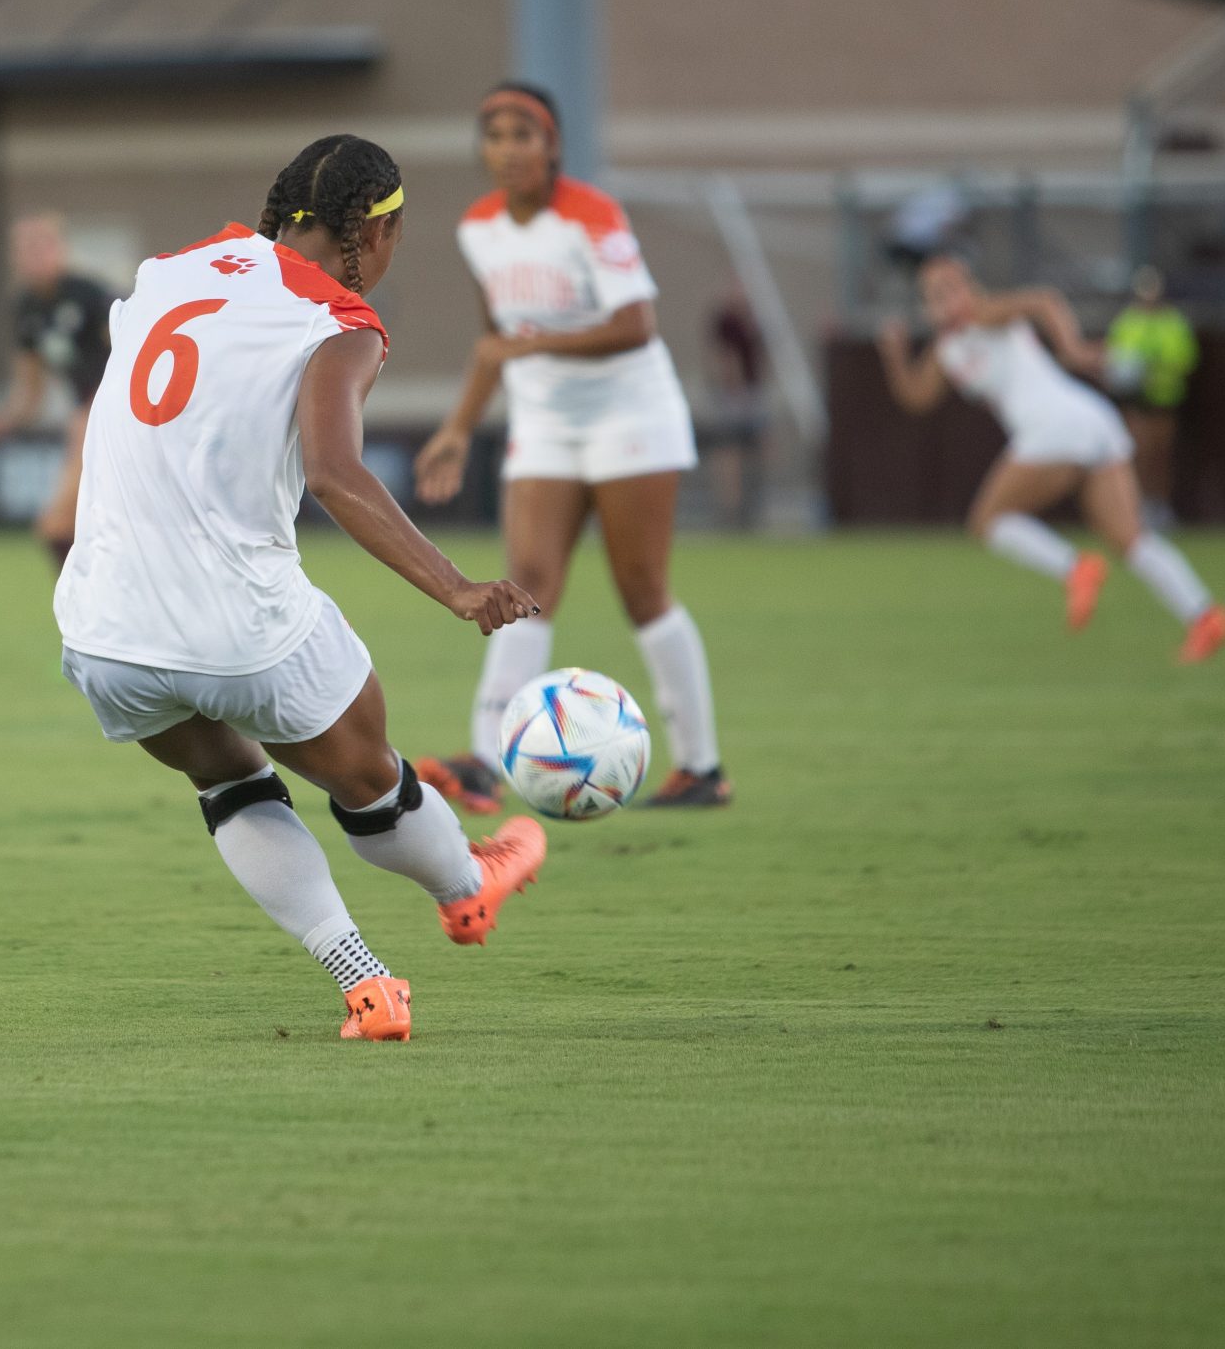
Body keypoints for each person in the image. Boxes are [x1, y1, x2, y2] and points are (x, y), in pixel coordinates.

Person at [54, 134, 549, 1043]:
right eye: (396, 232)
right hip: (245, 626)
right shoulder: (339, 321)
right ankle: (469, 889)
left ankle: (364, 984)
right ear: (369, 229)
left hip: (105, 627)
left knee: (231, 786)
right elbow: (334, 474)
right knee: (370, 781)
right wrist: (457, 588)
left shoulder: (167, 273)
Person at [411, 83, 731, 813]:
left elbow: (636, 324)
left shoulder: (591, 214)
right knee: (527, 581)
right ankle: (485, 761)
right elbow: (496, 343)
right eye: (494, 133)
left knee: (642, 589)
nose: (508, 147)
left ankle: (703, 769)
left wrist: (540, 343)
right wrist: (458, 429)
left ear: (552, 145)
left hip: (632, 415)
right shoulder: (478, 228)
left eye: (524, 133)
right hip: (547, 422)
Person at [876, 254, 1225, 663]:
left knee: (987, 521)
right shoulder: (947, 349)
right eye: (934, 293)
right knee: (1130, 539)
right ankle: (1204, 615)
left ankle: (1075, 568)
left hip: (1056, 425)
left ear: (969, 287)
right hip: (1089, 421)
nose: (944, 300)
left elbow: (1043, 300)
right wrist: (895, 357)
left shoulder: (983, 313)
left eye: (950, 288)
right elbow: (917, 398)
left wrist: (1073, 349)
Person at [0, 211, 116, 567]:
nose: (34, 255)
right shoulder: (26, 309)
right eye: (25, 248)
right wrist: (6, 421)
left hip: (114, 412)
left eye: (42, 245)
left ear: (61, 249)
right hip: (85, 416)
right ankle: (91, 611)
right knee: (63, 528)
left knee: (57, 525)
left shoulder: (90, 295)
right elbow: (32, 389)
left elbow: (137, 353)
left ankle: (84, 614)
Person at [1102, 265, 1196, 531]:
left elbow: (1185, 359)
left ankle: (1159, 506)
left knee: (1161, 454)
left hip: (1164, 399)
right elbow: (1114, 359)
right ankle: (1138, 506)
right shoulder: (1127, 321)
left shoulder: (1173, 322)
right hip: (1135, 400)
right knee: (1137, 452)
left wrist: (1155, 368)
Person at [705, 284, 767, 530]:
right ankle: (731, 509)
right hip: (733, 394)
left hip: (752, 392)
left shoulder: (752, 321)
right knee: (730, 450)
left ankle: (751, 504)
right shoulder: (726, 323)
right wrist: (732, 385)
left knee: (756, 447)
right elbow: (724, 358)